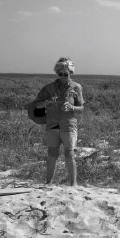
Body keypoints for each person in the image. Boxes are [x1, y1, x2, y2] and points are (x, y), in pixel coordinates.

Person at [30, 57, 85, 186]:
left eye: (65, 74)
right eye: (60, 74)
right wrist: (46, 103)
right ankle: (48, 183)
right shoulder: (48, 88)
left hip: (69, 125)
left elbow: (81, 109)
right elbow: (36, 105)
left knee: (69, 154)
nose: (63, 76)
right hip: (52, 125)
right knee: (52, 154)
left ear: (71, 72)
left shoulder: (76, 87)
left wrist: (71, 107)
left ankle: (74, 184)